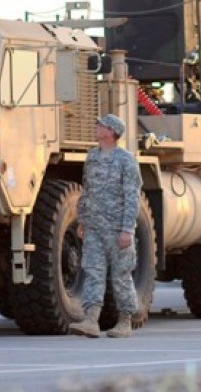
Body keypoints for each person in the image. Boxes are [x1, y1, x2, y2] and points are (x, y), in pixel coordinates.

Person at [68, 113, 142, 339]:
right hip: (94, 227)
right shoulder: (92, 157)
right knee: (93, 272)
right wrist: (83, 219)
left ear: (111, 132)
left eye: (100, 125)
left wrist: (127, 229)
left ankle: (125, 321)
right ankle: (91, 320)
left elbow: (132, 196)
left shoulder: (126, 160)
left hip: (117, 229)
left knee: (121, 275)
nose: (96, 127)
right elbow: (87, 190)